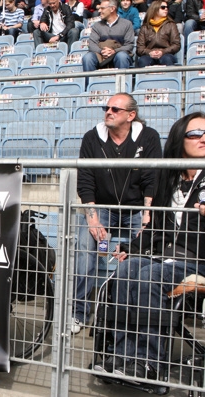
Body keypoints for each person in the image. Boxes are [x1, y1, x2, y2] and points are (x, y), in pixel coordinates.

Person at [94, 112, 205, 380]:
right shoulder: (170, 181)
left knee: (149, 275)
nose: (203, 138)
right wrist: (131, 248)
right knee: (127, 270)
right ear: (181, 140)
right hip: (164, 257)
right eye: (195, 134)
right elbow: (154, 226)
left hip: (197, 260)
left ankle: (148, 362)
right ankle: (121, 357)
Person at [73, 93, 162, 335]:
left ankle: (132, 315)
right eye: (106, 107)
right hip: (102, 206)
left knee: (144, 249)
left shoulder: (148, 137)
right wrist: (92, 220)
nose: (108, 112)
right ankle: (78, 313)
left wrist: (147, 216)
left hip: (135, 208)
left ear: (131, 115)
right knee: (83, 245)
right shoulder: (93, 137)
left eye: (115, 109)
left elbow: (152, 179)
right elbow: (86, 181)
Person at [82, 0, 135, 72]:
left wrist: (114, 51)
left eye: (102, 8)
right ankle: (89, 83)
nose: (99, 11)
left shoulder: (126, 24)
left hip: (118, 54)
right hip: (100, 54)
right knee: (88, 58)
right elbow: (92, 44)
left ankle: (123, 83)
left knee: (122, 56)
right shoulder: (97, 26)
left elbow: (129, 45)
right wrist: (101, 51)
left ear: (112, 9)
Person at [136, 0, 180, 67]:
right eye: (163, 7)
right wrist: (149, 52)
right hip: (149, 55)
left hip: (166, 54)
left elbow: (176, 44)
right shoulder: (145, 27)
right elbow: (139, 48)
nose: (166, 9)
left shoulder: (171, 25)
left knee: (167, 59)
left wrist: (163, 52)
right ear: (155, 9)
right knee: (143, 60)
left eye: (167, 7)